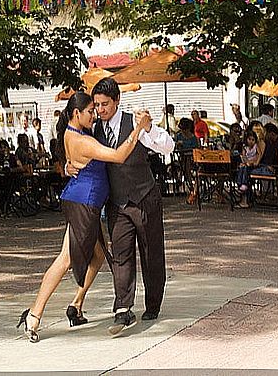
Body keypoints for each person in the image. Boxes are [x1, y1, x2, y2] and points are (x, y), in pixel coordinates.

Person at [17, 91, 151, 343]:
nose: (95, 114)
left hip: (84, 201)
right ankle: (34, 314)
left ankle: (76, 305)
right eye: (90, 111)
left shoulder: (73, 132)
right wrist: (138, 129)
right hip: (83, 205)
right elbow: (119, 156)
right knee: (65, 259)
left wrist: (68, 167)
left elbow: (69, 163)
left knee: (98, 255)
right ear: (77, 113)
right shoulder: (83, 141)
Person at [68, 78, 175, 335]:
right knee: (121, 255)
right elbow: (82, 156)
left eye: (105, 104)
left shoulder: (135, 122)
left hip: (144, 197)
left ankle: (152, 304)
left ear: (117, 101)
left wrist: (148, 129)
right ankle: (123, 309)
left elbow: (167, 146)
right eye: (96, 105)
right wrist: (69, 167)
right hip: (117, 203)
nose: (100, 110)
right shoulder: (93, 131)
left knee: (151, 254)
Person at [175, 118, 199, 203]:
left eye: (184, 129)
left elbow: (196, 149)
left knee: (188, 165)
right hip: (182, 158)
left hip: (192, 159)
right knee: (184, 166)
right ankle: (191, 188)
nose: (183, 131)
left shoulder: (193, 138)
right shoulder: (179, 136)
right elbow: (176, 148)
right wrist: (178, 145)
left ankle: (193, 190)